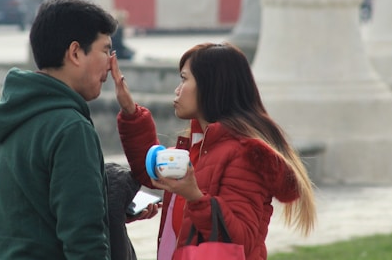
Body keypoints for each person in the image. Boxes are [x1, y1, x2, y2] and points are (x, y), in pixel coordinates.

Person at [111, 42, 317, 260]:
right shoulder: (198, 146)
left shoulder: (243, 154)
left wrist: (195, 197)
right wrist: (131, 112)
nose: (177, 89)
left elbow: (241, 241)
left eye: (184, 78)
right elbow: (153, 171)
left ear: (210, 85)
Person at [0, 0, 118, 259]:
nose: (111, 65)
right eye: (105, 50)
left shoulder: (2, 117)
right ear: (76, 52)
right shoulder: (70, 128)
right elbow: (84, 240)